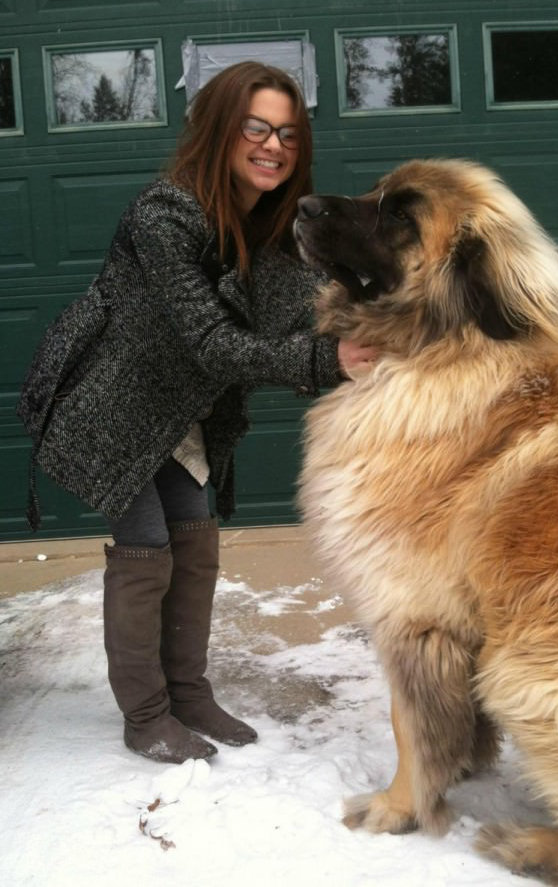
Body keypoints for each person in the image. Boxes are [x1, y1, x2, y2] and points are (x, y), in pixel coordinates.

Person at [17, 62, 376, 764]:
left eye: (288, 133)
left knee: (196, 536)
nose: (274, 145)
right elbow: (213, 343)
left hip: (180, 413)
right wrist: (327, 361)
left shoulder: (266, 226)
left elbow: (319, 292)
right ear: (219, 128)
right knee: (148, 543)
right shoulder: (165, 214)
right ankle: (146, 715)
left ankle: (189, 691)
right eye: (256, 127)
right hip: (113, 406)